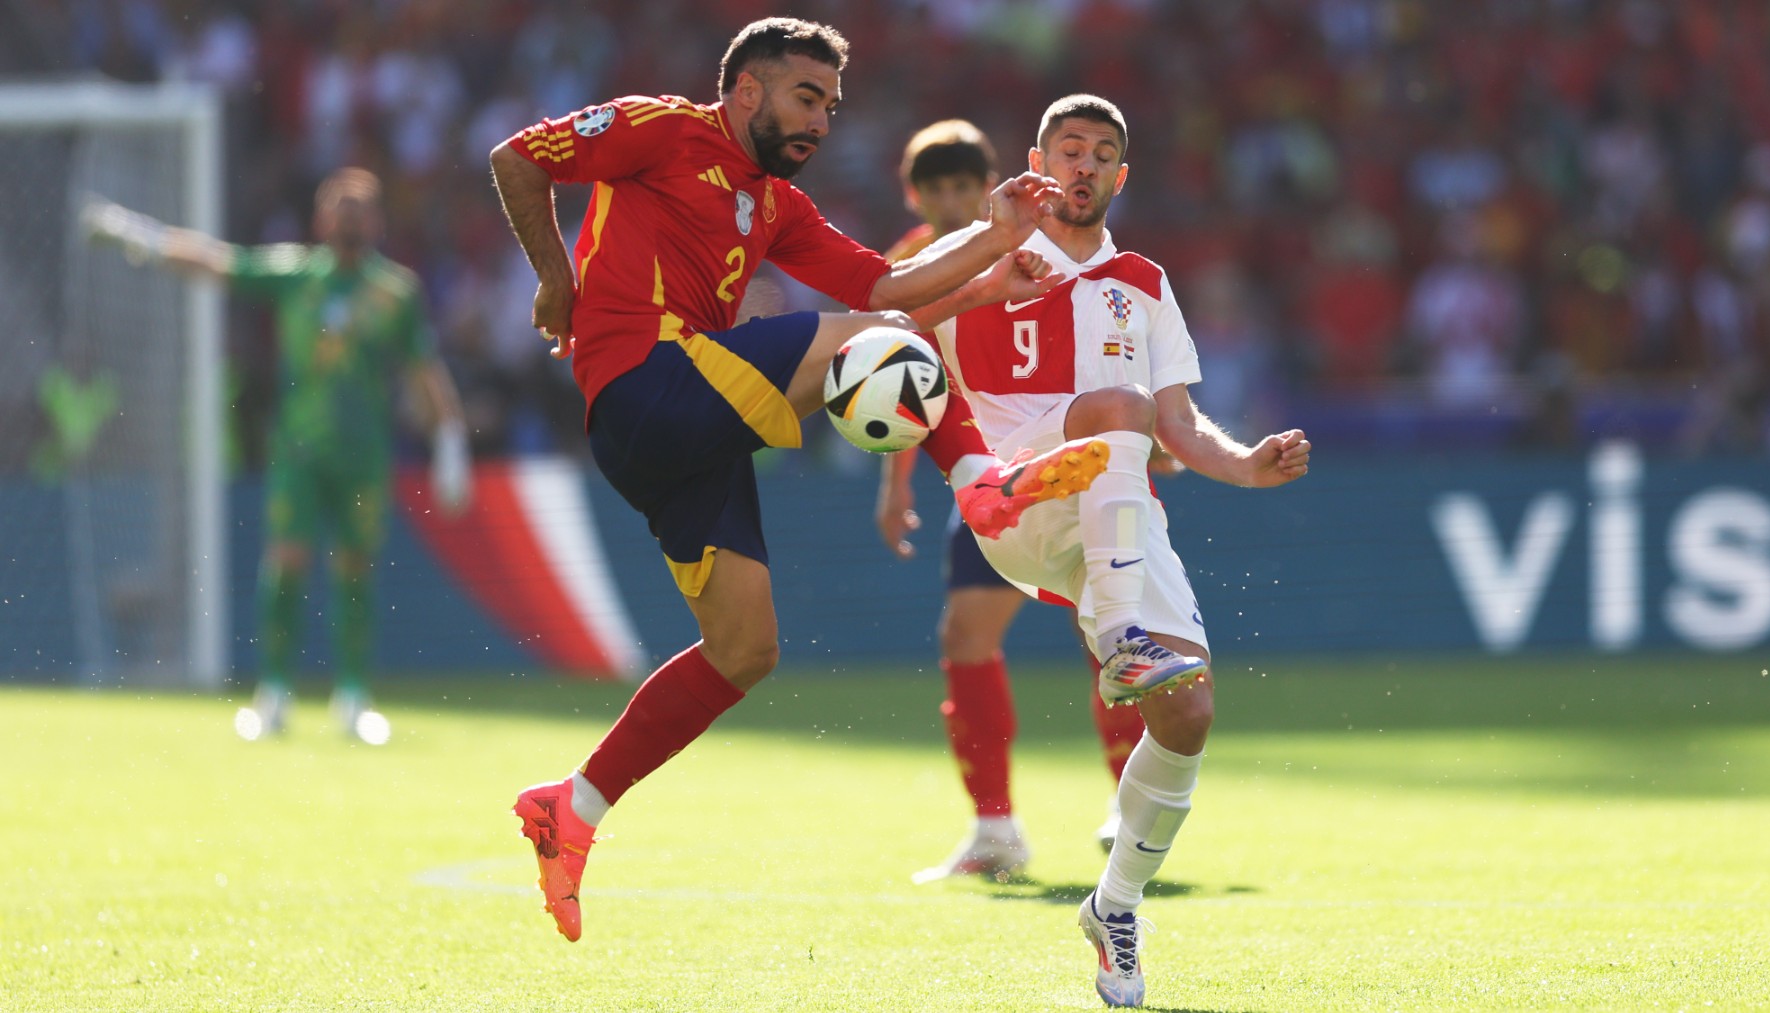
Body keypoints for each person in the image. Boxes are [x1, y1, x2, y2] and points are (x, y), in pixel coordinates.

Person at [487, 17, 1114, 944]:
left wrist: (994, 239)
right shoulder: (663, 128)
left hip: (680, 433)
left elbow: (884, 283)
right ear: (747, 91)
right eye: (806, 97)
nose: (821, 119)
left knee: (745, 649)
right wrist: (554, 282)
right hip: (646, 383)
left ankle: (571, 808)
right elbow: (516, 158)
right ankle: (981, 485)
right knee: (881, 351)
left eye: (832, 103)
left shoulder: (775, 205)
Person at [915, 95, 1311, 1008]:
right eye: (1069, 150)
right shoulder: (984, 246)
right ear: (1037, 161)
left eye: (1101, 154)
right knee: (1115, 410)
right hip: (1012, 497)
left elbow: (1179, 423)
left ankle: (1115, 905)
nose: (1084, 165)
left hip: (1111, 510)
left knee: (1191, 713)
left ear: (1120, 177)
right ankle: (1121, 646)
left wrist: (1246, 467)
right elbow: (886, 324)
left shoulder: (1143, 281)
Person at [81, 168, 471, 745]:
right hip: (299, 449)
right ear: (320, 218)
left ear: (378, 221)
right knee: (287, 560)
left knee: (354, 567)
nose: (350, 215)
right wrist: (145, 237)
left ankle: (354, 697)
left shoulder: (394, 292)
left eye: (361, 206)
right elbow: (217, 262)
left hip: (363, 453)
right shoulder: (293, 276)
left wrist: (451, 438)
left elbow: (422, 369)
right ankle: (275, 692)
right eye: (340, 205)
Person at [873, 120, 1147, 884]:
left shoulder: (1046, 237)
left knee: (1112, 641)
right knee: (965, 634)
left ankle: (1133, 806)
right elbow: (900, 381)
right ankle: (995, 829)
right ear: (916, 195)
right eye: (940, 189)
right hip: (991, 476)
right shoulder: (909, 267)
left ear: (992, 181)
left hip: (1077, 459)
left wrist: (1146, 427)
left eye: (967, 185)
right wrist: (895, 486)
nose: (956, 200)